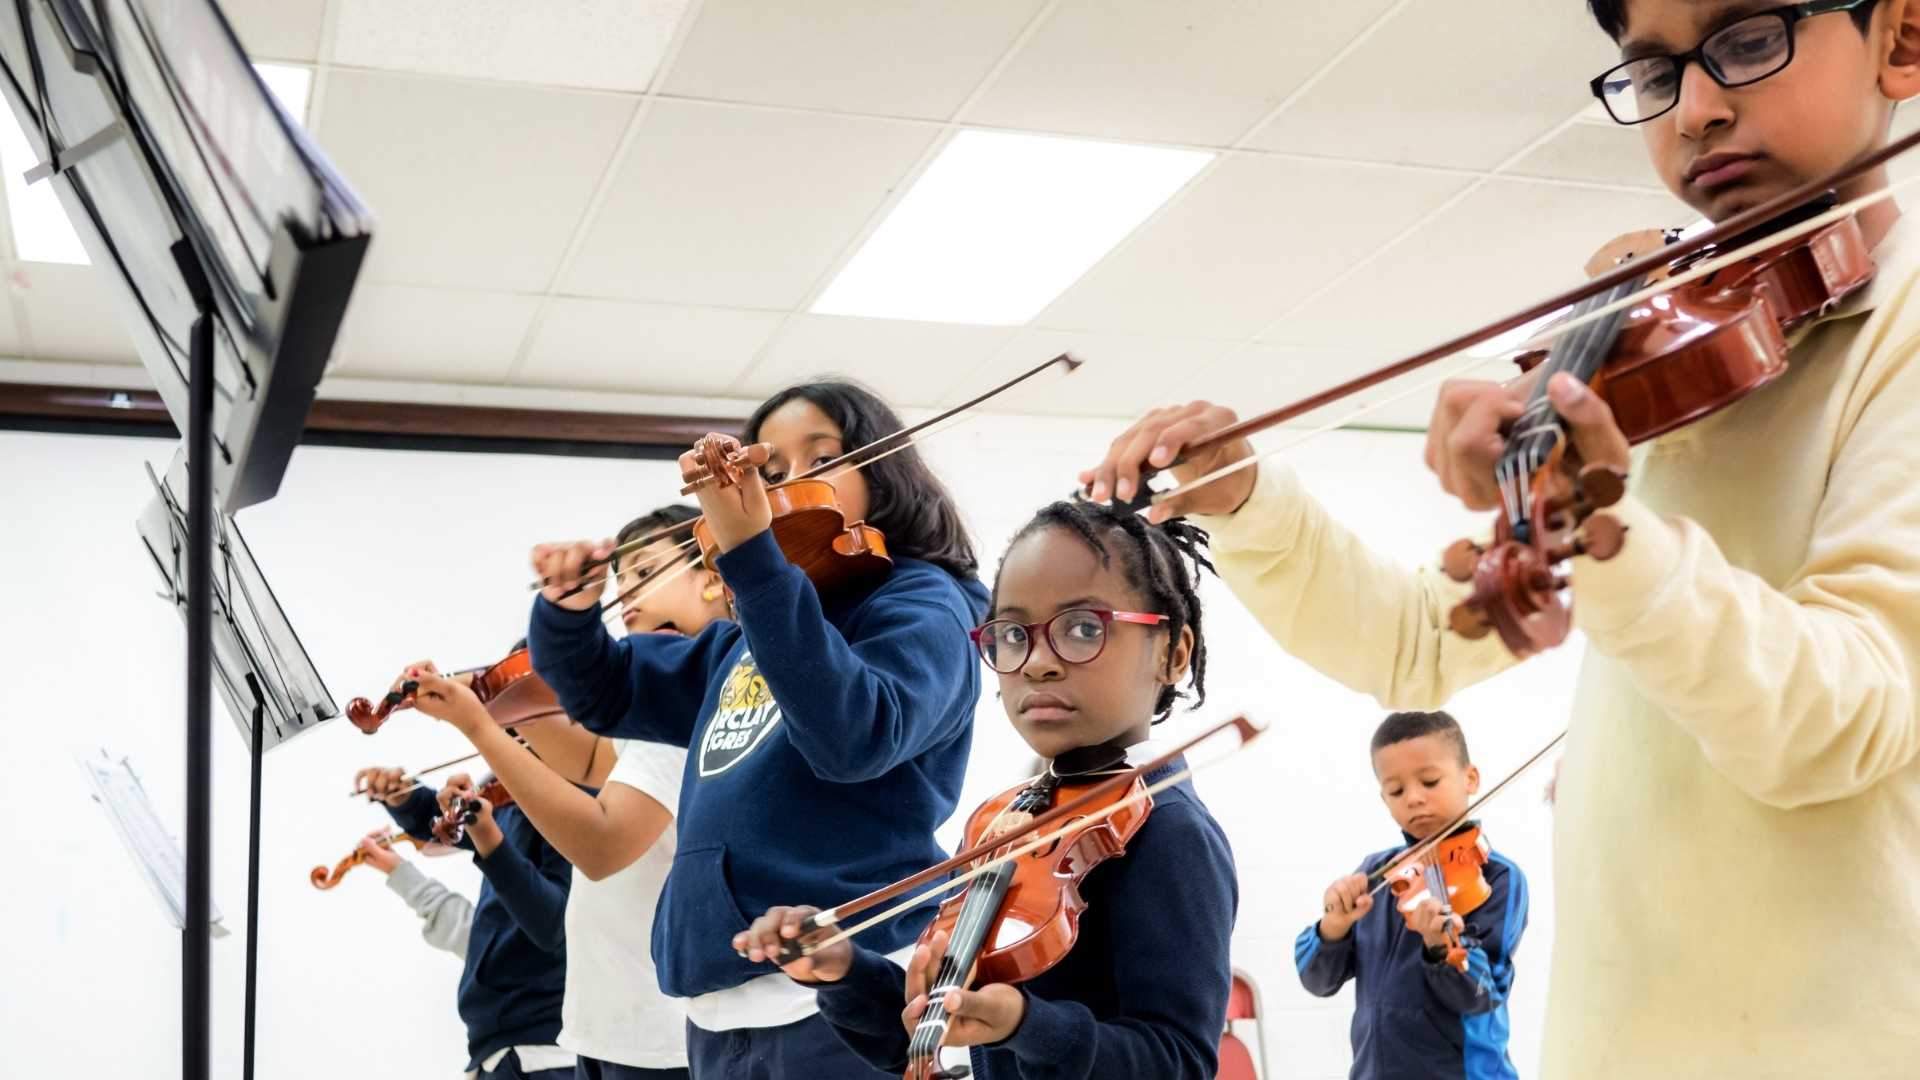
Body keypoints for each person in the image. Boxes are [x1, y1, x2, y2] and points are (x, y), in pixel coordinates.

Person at [1079, 2, 1920, 1073]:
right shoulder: (1687, 341)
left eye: (1749, 41)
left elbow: (1842, 721)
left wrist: (1605, 534)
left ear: (1901, 39)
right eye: (1653, 73)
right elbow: (1418, 645)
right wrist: (1251, 501)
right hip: (1621, 1035)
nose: (1698, 110)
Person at [526, 382, 989, 1078]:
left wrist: (756, 564)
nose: (789, 482)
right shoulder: (751, 634)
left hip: (838, 1002)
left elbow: (854, 738)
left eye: (821, 457)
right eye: (770, 473)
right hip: (718, 1004)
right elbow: (607, 690)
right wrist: (567, 615)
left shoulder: (925, 601)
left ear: (882, 469)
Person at [737, 500, 1237, 1080]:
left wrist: (1028, 1024)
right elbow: (929, 1035)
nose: (1037, 663)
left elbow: (1178, 1062)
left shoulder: (1166, 831)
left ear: (1174, 653)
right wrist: (845, 971)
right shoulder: (1011, 820)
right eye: (1012, 634)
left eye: (1082, 629)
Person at [402, 514, 719, 1080]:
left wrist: (480, 726)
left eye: (646, 571)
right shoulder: (662, 704)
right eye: (622, 583)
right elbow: (591, 760)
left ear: (713, 577)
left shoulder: (694, 708)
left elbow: (600, 844)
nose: (628, 601)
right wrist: (491, 705)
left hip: (654, 1037)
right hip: (608, 1028)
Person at [1298, 711, 1527, 1080]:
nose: (1414, 798)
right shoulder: (1376, 874)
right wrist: (1333, 927)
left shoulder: (1498, 878)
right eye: (1396, 790)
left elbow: (1484, 993)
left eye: (1430, 781)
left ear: (1470, 778)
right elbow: (1316, 981)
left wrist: (1442, 947)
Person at [354, 767, 576, 1080]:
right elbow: (486, 937)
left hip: (546, 1056)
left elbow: (552, 926)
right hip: (500, 1056)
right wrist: (410, 802)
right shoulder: (513, 808)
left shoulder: (573, 803)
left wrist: (485, 835)